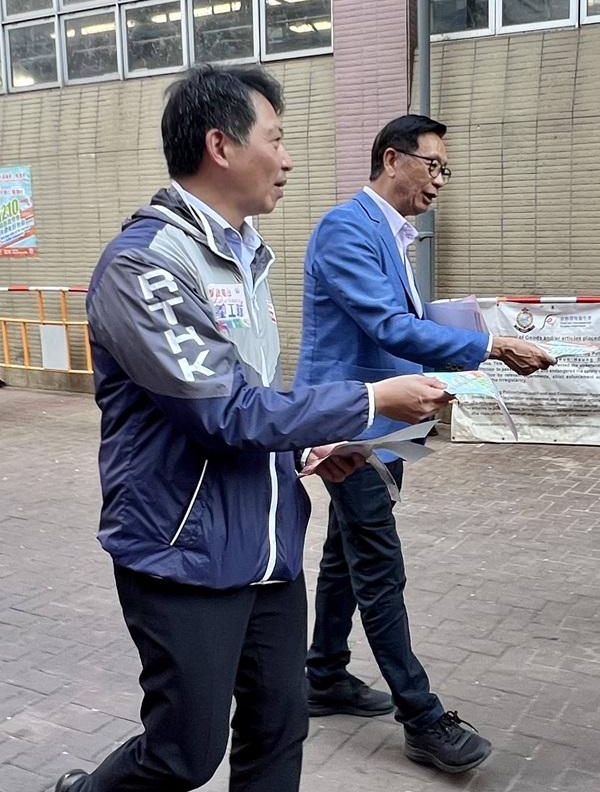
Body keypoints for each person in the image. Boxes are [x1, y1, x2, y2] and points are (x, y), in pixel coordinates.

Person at [56, 66, 455, 792]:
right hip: (183, 552)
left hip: (269, 544)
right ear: (221, 145)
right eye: (277, 138)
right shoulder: (143, 266)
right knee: (184, 752)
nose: (290, 158)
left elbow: (251, 397)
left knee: (279, 732)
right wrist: (369, 401)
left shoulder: (246, 259)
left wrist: (309, 444)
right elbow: (223, 412)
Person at [294, 114, 555, 775]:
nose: (441, 181)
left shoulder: (392, 233)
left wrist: (458, 335)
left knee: (343, 556)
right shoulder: (346, 227)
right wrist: (491, 345)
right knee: (379, 568)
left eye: (446, 170)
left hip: (386, 425)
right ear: (392, 159)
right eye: (433, 166)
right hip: (347, 425)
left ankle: (322, 674)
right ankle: (422, 717)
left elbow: (398, 325)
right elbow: (385, 324)